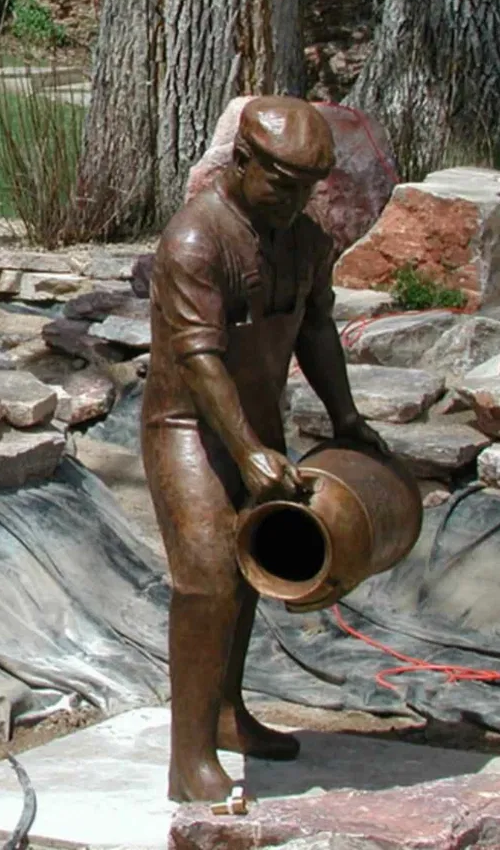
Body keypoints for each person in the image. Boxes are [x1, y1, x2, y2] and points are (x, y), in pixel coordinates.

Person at [142, 96, 387, 803]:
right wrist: (247, 452)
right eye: (282, 183)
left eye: (309, 187)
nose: (295, 200)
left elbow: (315, 331)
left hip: (255, 428)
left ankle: (226, 712)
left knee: (251, 571)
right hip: (188, 429)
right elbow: (198, 360)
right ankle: (188, 761)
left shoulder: (304, 241)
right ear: (242, 163)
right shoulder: (196, 241)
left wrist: (346, 417)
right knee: (207, 574)